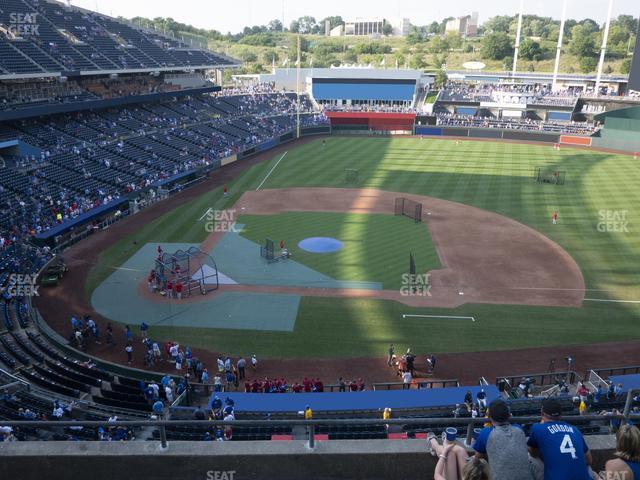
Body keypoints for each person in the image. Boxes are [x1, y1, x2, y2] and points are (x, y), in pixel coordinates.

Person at [527, 398, 592, 480]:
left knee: (530, 456)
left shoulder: (537, 428)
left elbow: (533, 453)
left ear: (542, 412)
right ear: (561, 414)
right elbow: (589, 460)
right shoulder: (575, 429)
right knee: (587, 466)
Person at [473, 399, 533, 480]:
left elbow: (477, 460)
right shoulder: (519, 429)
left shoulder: (485, 433)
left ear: (489, 416)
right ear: (509, 415)